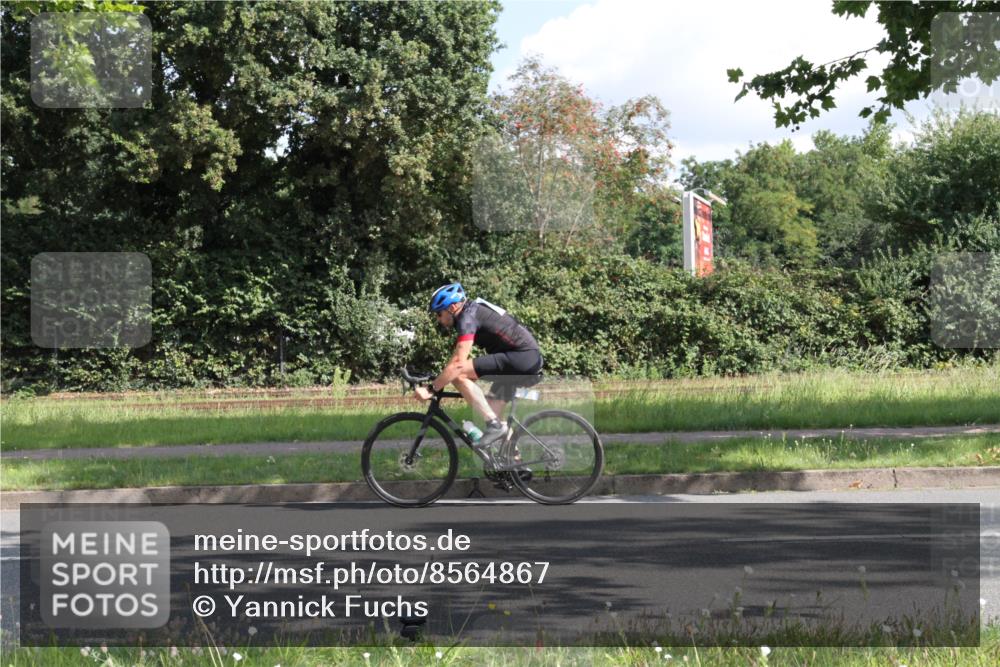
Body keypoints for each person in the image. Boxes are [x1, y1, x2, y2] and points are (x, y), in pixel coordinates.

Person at [416, 282, 543, 446]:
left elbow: (458, 364)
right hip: (525, 358)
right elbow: (458, 358)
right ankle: (515, 465)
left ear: (453, 307)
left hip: (521, 358)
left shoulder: (467, 319)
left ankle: (494, 426)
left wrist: (431, 389)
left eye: (439, 314)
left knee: (459, 375)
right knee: (491, 411)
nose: (438, 319)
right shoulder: (472, 311)